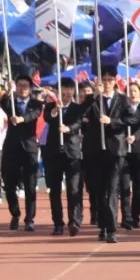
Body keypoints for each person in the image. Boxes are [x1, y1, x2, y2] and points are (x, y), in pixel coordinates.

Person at [86, 69, 135, 244]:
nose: (106, 83)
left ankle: (112, 229)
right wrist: (94, 97)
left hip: (116, 149)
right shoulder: (93, 100)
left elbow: (131, 119)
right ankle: (103, 226)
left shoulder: (122, 99)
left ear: (115, 81)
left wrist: (112, 122)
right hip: (97, 149)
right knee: (99, 190)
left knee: (112, 189)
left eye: (109, 80)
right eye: (104, 80)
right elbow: (83, 115)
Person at [0, 76, 44, 231]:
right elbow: (2, 102)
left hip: (29, 148)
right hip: (11, 147)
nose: (22, 88)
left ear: (30, 89)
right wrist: (8, 90)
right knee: (9, 184)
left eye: (25, 86)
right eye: (19, 85)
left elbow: (34, 115)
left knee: (30, 185)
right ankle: (15, 213)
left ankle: (30, 218)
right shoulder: (10, 102)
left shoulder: (37, 104)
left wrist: (21, 119)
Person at [43, 78, 85, 236]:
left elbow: (79, 123)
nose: (67, 92)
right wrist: (56, 109)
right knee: (54, 190)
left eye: (70, 89)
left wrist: (68, 128)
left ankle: (74, 220)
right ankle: (58, 223)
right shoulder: (50, 106)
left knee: (73, 188)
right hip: (53, 152)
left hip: (72, 152)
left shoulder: (78, 108)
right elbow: (48, 118)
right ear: (58, 91)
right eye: (64, 89)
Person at [121, 82, 140, 230]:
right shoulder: (122, 109)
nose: (132, 93)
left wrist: (134, 136)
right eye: (130, 91)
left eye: (135, 91)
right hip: (123, 152)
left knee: (138, 187)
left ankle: (135, 216)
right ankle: (126, 217)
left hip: (139, 151)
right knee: (124, 187)